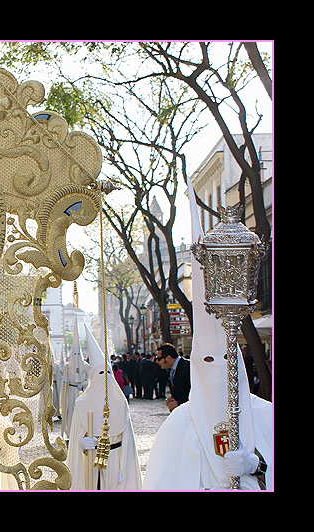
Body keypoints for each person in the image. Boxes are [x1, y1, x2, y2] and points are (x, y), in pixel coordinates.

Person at [142, 180, 272, 490]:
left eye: (226, 358)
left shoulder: (265, 415)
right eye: (209, 360)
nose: (218, 368)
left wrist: (258, 465)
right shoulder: (179, 424)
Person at [67, 325, 141, 490]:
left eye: (107, 373)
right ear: (93, 376)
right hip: (90, 463)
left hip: (116, 462)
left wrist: (125, 469)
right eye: (100, 374)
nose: (105, 379)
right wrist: (82, 443)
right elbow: (75, 441)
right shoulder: (82, 404)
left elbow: (128, 440)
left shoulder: (121, 403)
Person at [156, 343, 190, 412]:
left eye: (159, 359)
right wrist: (172, 399)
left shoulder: (187, 366)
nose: (157, 362)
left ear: (168, 358)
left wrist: (178, 403)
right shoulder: (170, 369)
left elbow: (195, 391)